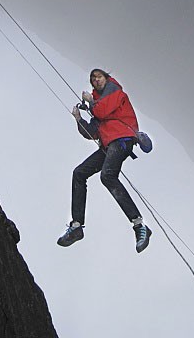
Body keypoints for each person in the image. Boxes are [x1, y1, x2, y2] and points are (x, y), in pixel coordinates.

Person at [57, 69, 152, 253]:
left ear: (106, 78)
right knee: (79, 173)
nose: (96, 80)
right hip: (109, 145)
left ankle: (139, 225)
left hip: (122, 139)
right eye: (93, 79)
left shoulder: (114, 91)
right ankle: (76, 226)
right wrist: (79, 119)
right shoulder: (97, 102)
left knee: (107, 176)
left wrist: (91, 102)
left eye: (99, 77)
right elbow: (92, 133)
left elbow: (102, 111)